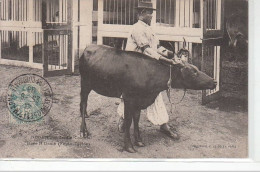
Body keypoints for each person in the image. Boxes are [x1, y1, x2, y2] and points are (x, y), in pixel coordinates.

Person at [117, 1, 179, 140]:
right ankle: (122, 119)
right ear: (141, 13)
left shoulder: (149, 29)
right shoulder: (136, 29)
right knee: (128, 96)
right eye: (149, 12)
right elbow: (147, 49)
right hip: (133, 68)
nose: (152, 15)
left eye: (152, 12)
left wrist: (171, 54)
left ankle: (163, 125)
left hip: (147, 69)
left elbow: (156, 47)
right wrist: (164, 60)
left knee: (155, 92)